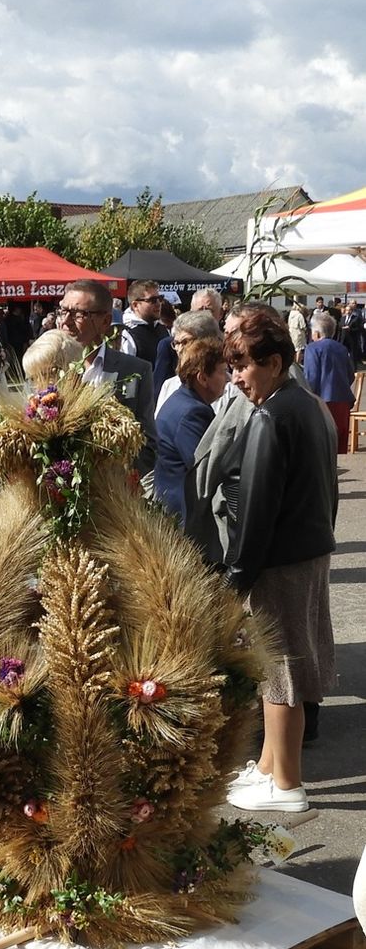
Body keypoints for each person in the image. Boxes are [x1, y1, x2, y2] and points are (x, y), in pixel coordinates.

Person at [222, 306, 337, 816]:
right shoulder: (304, 402)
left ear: (273, 361)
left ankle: (286, 783)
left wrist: (237, 576)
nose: (238, 376)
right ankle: (270, 768)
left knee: (279, 669)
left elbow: (257, 507)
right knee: (284, 664)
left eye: (244, 365)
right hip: (307, 552)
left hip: (280, 561)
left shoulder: (272, 414)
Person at [58, 279, 156, 483]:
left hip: (114, 493)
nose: (65, 321)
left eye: (78, 314)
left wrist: (125, 479)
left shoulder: (136, 370)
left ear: (105, 321)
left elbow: (148, 442)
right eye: (62, 311)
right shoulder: (47, 368)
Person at [153, 339, 228, 527]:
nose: (227, 378)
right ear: (203, 378)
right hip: (183, 518)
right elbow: (207, 469)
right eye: (222, 371)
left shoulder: (181, 401)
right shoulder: (193, 413)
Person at [303, 311, 355, 454]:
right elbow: (350, 374)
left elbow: (310, 378)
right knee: (335, 450)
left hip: (321, 403)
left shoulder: (312, 348)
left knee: (318, 449)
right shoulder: (342, 348)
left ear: (318, 334)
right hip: (343, 401)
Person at [120, 281, 166, 366]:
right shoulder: (127, 334)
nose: (158, 304)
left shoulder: (163, 329)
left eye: (160, 298)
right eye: (152, 300)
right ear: (135, 305)